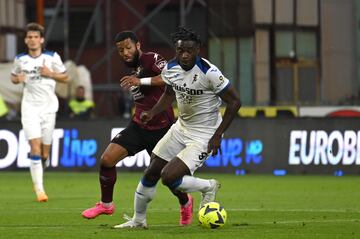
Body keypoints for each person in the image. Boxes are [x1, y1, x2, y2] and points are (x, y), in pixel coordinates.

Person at [114, 27, 241, 228]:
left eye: (189, 50)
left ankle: (209, 187)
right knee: (151, 171)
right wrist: (152, 112)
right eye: (180, 50)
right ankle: (138, 220)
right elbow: (169, 94)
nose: (184, 55)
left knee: (169, 177)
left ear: (197, 49)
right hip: (181, 127)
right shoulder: (172, 67)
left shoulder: (210, 72)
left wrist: (217, 135)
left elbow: (235, 102)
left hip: (204, 135)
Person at [82, 31, 195, 226]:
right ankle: (106, 205)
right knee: (107, 160)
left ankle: (186, 202)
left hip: (162, 129)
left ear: (138, 45)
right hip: (138, 126)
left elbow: (170, 77)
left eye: (128, 48)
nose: (125, 53)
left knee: (167, 177)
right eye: (120, 50)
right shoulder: (133, 68)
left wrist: (139, 81)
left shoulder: (151, 59)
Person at [10, 22, 68, 202]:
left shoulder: (52, 57)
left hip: (49, 108)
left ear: (41, 40)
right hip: (29, 108)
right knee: (34, 147)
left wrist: (50, 73)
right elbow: (13, 77)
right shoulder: (20, 59)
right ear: (26, 40)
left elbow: (65, 77)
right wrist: (17, 79)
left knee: (44, 152)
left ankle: (43, 161)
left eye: (36, 37)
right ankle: (40, 191)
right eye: (30, 37)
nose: (33, 40)